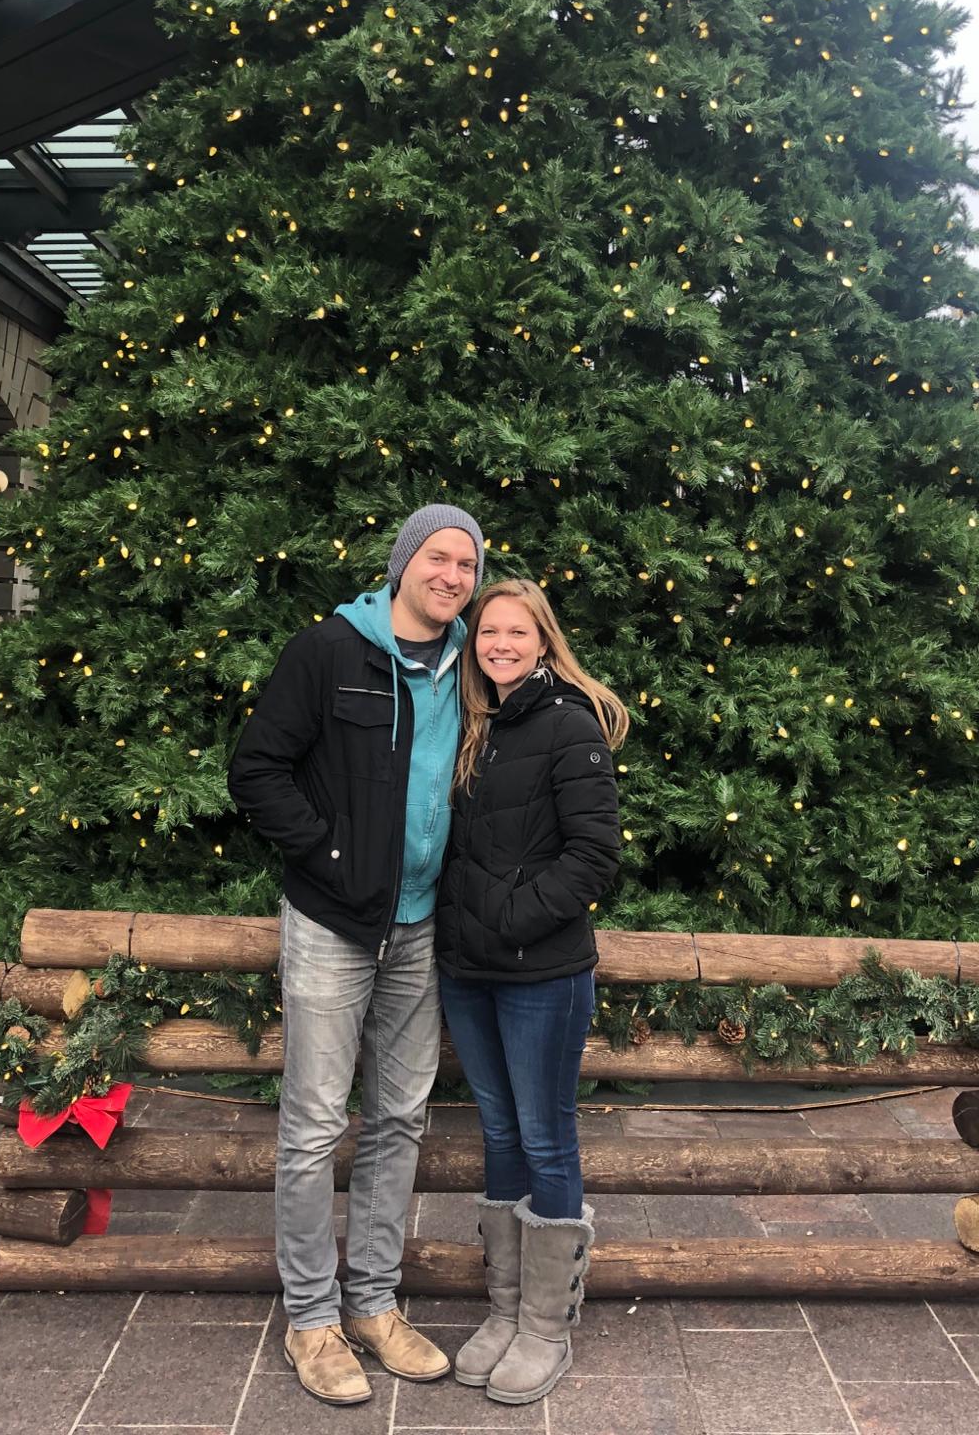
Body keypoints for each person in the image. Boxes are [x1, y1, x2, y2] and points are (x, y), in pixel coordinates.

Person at [228, 505, 484, 1407]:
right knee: (310, 1127)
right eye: (438, 557)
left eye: (466, 564)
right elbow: (255, 767)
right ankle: (311, 1319)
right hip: (334, 923)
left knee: (401, 1117)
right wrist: (330, 856)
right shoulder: (331, 650)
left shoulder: (472, 666)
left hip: (421, 929)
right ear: (404, 562)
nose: (451, 576)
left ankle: (373, 1305)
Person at [435, 579, 626, 1407]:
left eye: (516, 632)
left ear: (543, 642)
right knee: (500, 1132)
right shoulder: (475, 726)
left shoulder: (567, 725)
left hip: (541, 971)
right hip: (469, 970)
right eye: (487, 632)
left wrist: (513, 917)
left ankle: (545, 1326)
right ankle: (505, 1310)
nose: (499, 644)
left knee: (546, 1138)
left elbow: (593, 856)